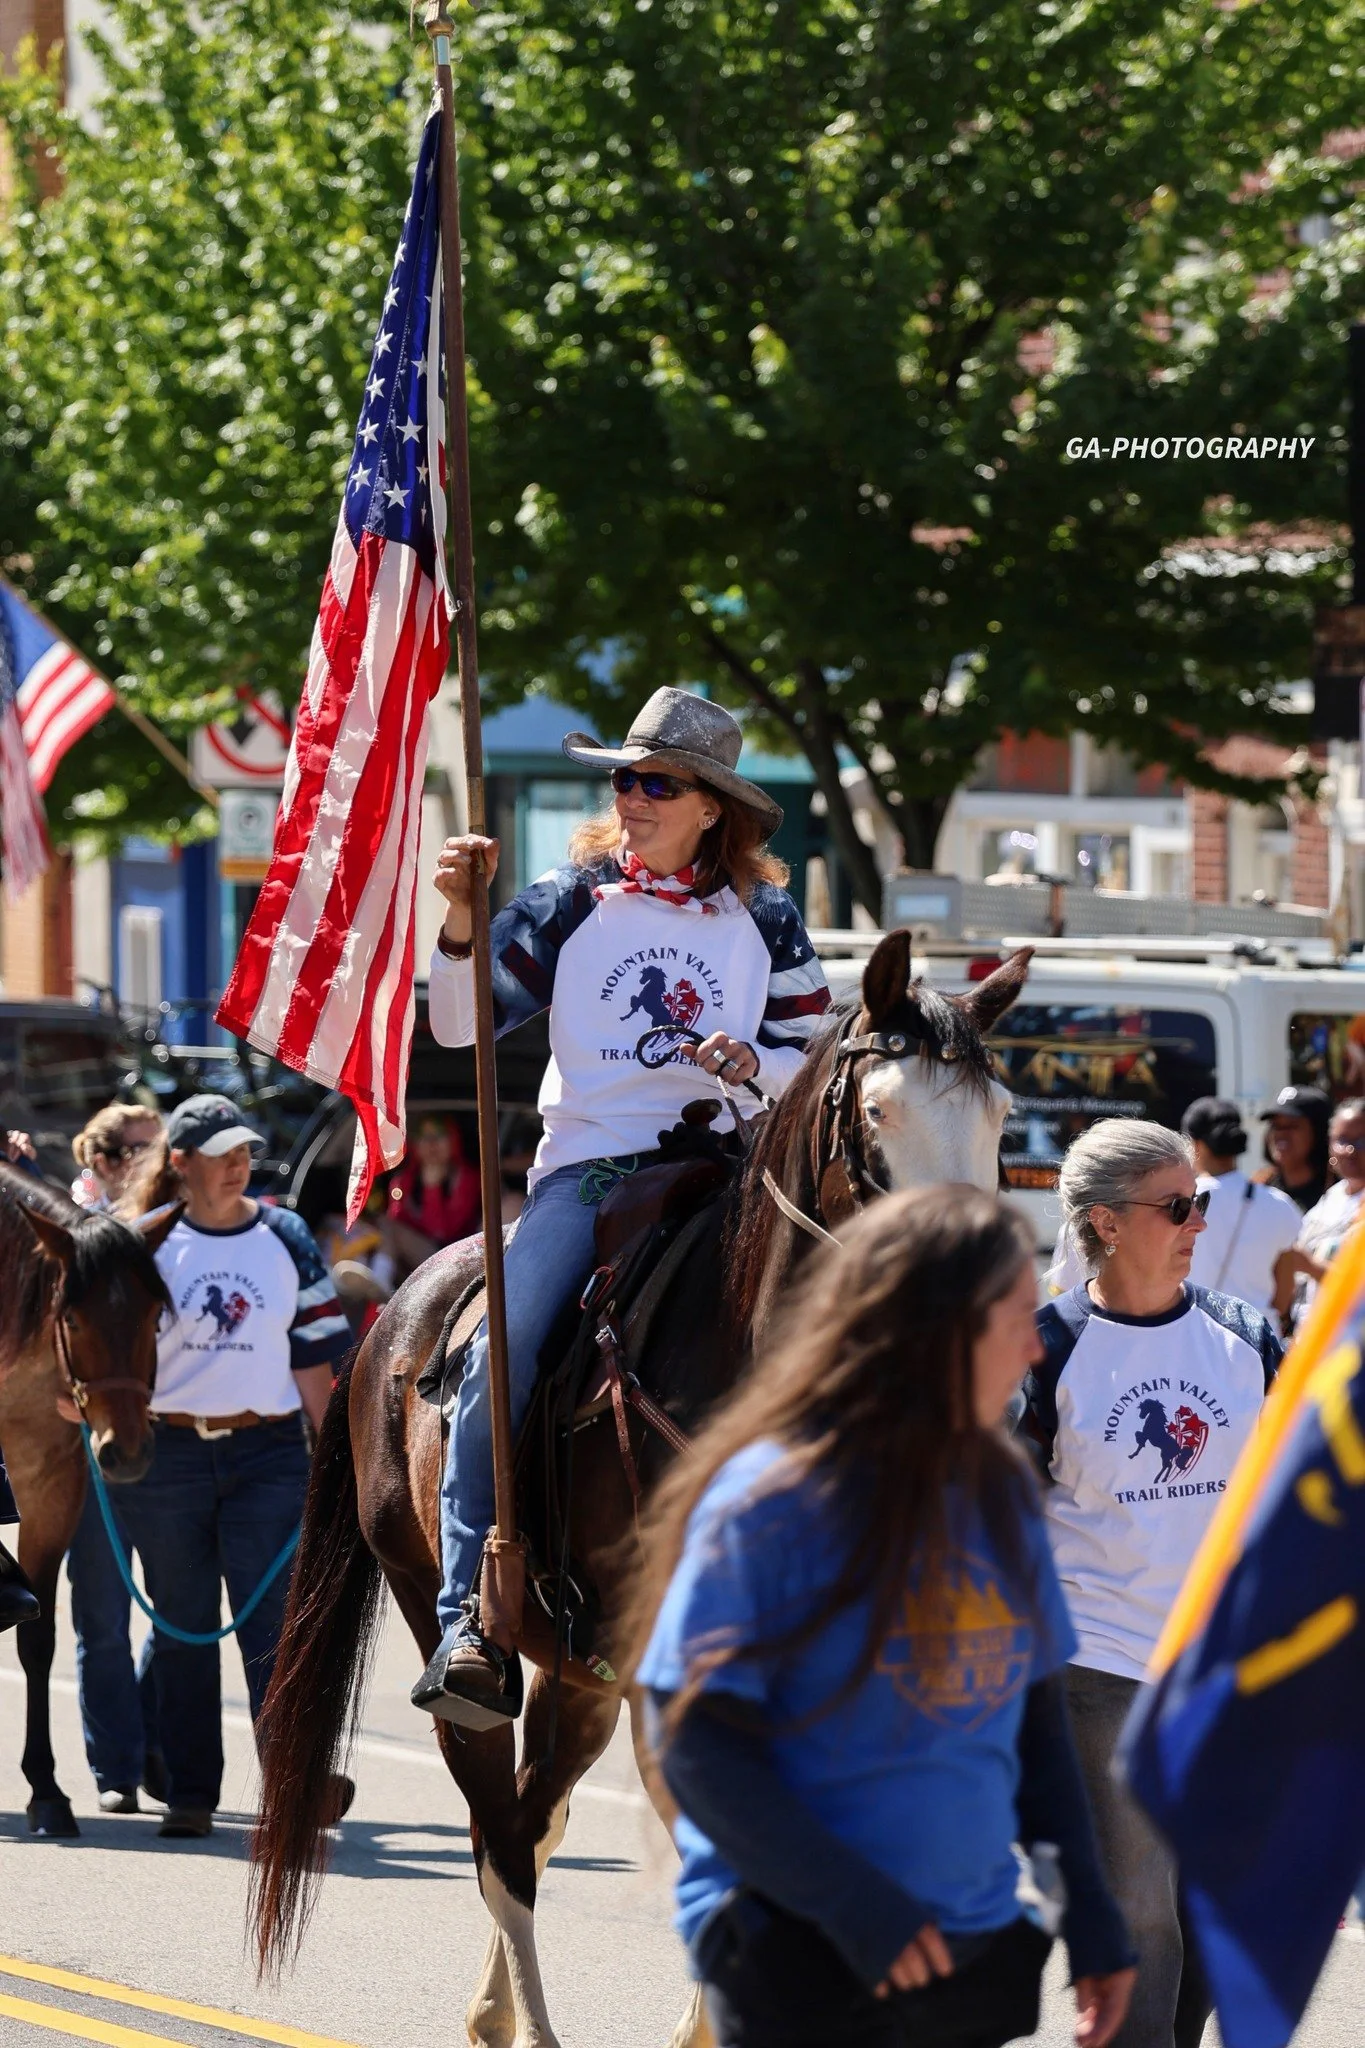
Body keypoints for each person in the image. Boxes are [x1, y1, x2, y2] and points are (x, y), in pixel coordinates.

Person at [631, 1187, 1136, 2048]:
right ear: (931, 1332)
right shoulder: (774, 1499)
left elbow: (1033, 1719)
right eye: (1012, 1320)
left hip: (960, 1942)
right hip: (799, 1945)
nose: (1031, 1347)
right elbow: (695, 1742)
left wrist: (1087, 1907)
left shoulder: (1002, 1490)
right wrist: (856, 1907)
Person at [413, 687, 830, 1721]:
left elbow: (819, 1062)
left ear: (710, 807)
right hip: (590, 1174)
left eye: (657, 781)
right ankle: (473, 1612)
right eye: (623, 777)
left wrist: (758, 1061)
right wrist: (461, 917)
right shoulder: (569, 898)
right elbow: (459, 1028)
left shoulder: (766, 916)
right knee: (497, 1362)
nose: (631, 796)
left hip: (730, 1175)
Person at [1022, 1119, 1281, 2048]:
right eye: (1176, 1207)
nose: (1196, 1224)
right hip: (1101, 1668)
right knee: (1140, 1915)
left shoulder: (1246, 1335)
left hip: (1229, 1673)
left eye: (1198, 1203)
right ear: (1104, 1223)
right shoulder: (1044, 1347)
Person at [115, 1094, 353, 1839]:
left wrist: (339, 1469)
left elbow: (316, 1359)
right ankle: (190, 1793)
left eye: (244, 1150)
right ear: (180, 1165)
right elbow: (104, 1349)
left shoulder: (284, 1235)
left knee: (276, 1633)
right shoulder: (145, 1244)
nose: (238, 1164)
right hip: (170, 1459)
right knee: (184, 1631)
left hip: (269, 1456)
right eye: (221, 1155)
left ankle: (293, 1791)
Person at [60, 1105, 168, 1809]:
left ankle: (153, 1746)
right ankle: (116, 1770)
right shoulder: (66, 1235)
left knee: (176, 1611)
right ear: (100, 1164)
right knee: (100, 1618)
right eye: (138, 1151)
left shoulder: (163, 1233)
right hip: (82, 1447)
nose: (153, 1162)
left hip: (161, 1445)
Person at [1180, 1098, 1300, 1319]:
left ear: (1194, 1145)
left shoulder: (1180, 1203)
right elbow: (1284, 1292)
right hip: (1258, 1336)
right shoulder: (1280, 1204)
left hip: (1196, 1329)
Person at [1277, 1097, 1365, 1332]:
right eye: (1342, 1140)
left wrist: (1311, 1266)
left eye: (1361, 1141)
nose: (1350, 1150)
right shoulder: (1332, 1197)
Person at [384, 1113, 481, 1276]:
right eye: (424, 1137)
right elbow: (398, 1226)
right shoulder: (402, 1182)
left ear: (453, 1142)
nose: (432, 1144)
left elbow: (442, 1233)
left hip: (460, 1259)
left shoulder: (470, 1179)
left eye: (440, 1136)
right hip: (421, 1256)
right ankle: (381, 1279)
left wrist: (432, 1189)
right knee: (384, 1224)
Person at [69, 1102, 162, 1212]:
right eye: (141, 1150)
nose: (161, 1158)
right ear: (103, 1165)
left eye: (162, 1147)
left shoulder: (180, 1212)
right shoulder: (91, 1225)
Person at [1258, 1084, 1331, 1214]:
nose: (1281, 1134)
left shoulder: (1342, 1194)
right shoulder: (1258, 1188)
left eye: (1292, 1126)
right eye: (1275, 1126)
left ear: (1320, 1133)